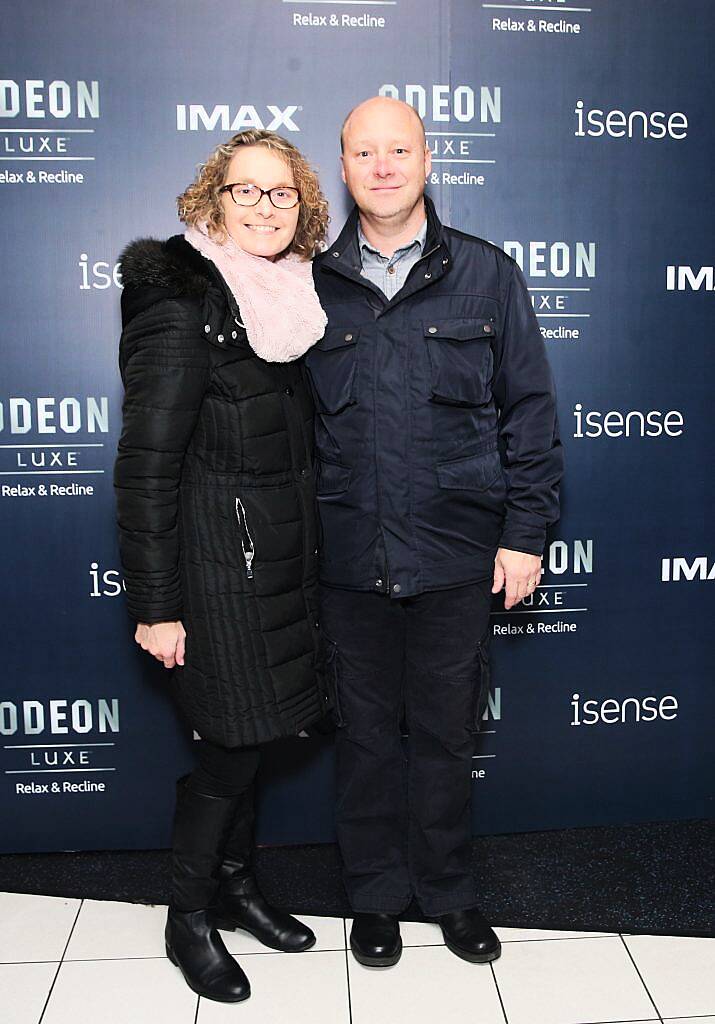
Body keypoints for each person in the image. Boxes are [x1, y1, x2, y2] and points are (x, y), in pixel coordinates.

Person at [305, 96, 564, 968]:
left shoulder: (487, 274)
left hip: (457, 556)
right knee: (369, 740)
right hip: (346, 558)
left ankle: (449, 893)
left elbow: (527, 412)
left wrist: (525, 533)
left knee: (448, 737)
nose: (383, 166)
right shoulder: (304, 281)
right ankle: (375, 898)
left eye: (399, 150)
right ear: (342, 168)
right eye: (364, 152)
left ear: (427, 160)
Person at [114, 129, 329, 1003]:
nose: (265, 209)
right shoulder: (182, 305)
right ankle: (188, 914)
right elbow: (147, 468)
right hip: (213, 573)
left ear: (301, 207)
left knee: (259, 741)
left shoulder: (288, 297)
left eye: (282, 194)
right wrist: (157, 606)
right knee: (227, 750)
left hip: (280, 563)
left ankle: (239, 887)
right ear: (213, 201)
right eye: (247, 192)